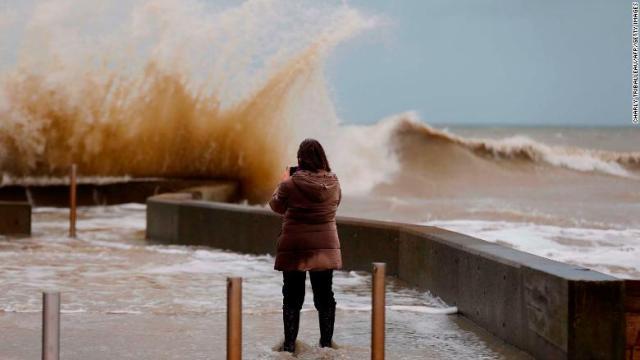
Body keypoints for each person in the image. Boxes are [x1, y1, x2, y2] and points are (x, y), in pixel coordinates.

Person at [268, 138, 342, 353]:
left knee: (292, 295)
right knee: (325, 294)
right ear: (322, 158)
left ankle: (290, 346)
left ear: (300, 159)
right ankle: (326, 344)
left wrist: (282, 181)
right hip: (325, 245)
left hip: (296, 245)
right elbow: (336, 204)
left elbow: (276, 206)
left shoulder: (290, 184)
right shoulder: (334, 182)